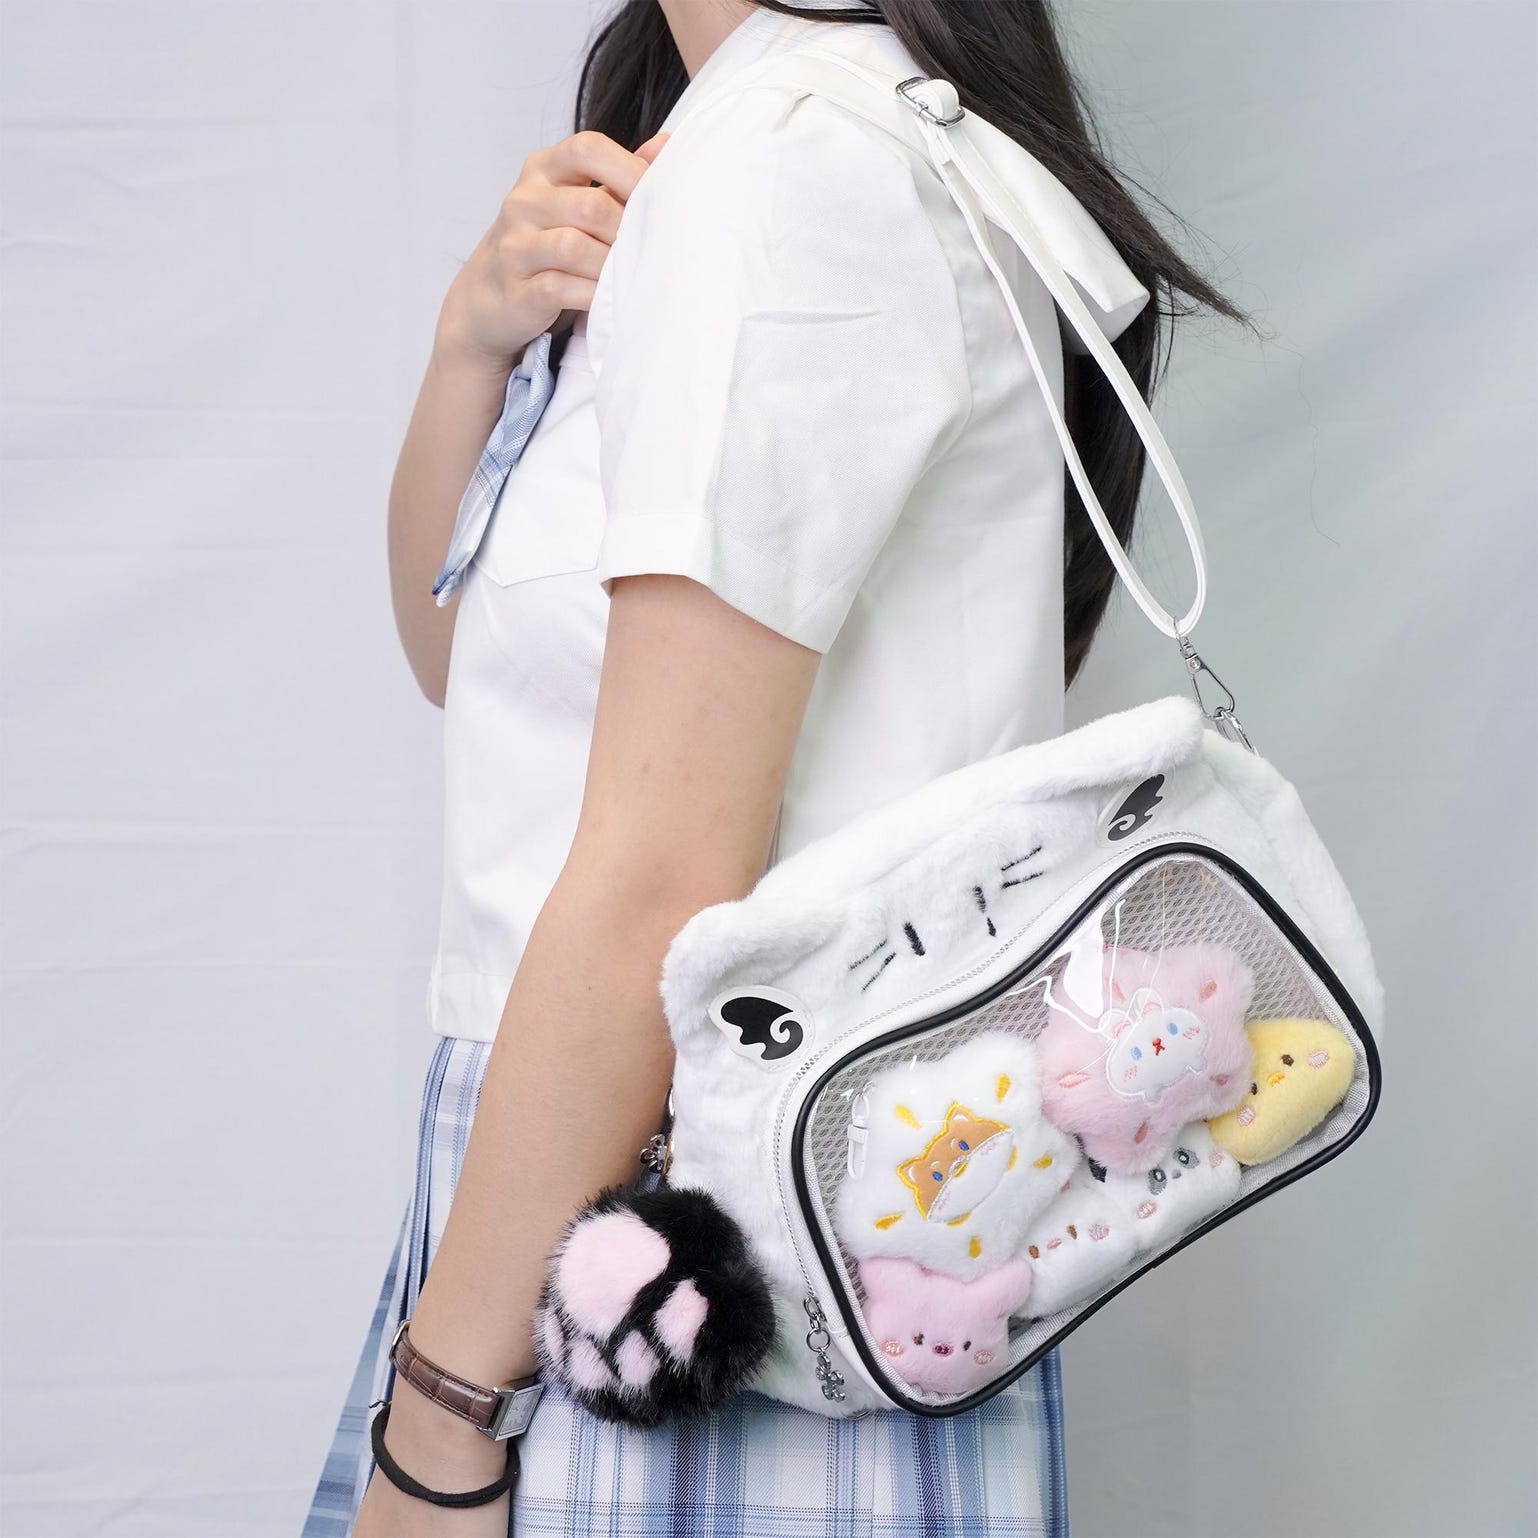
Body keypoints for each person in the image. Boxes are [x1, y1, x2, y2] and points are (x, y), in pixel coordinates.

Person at [301, 1, 1253, 1533]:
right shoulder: (766, 143)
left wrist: (441, 1421)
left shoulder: (793, 167)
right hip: (598, 1175)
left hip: (669, 1223)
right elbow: (453, 658)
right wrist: (470, 346)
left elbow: (663, 878)